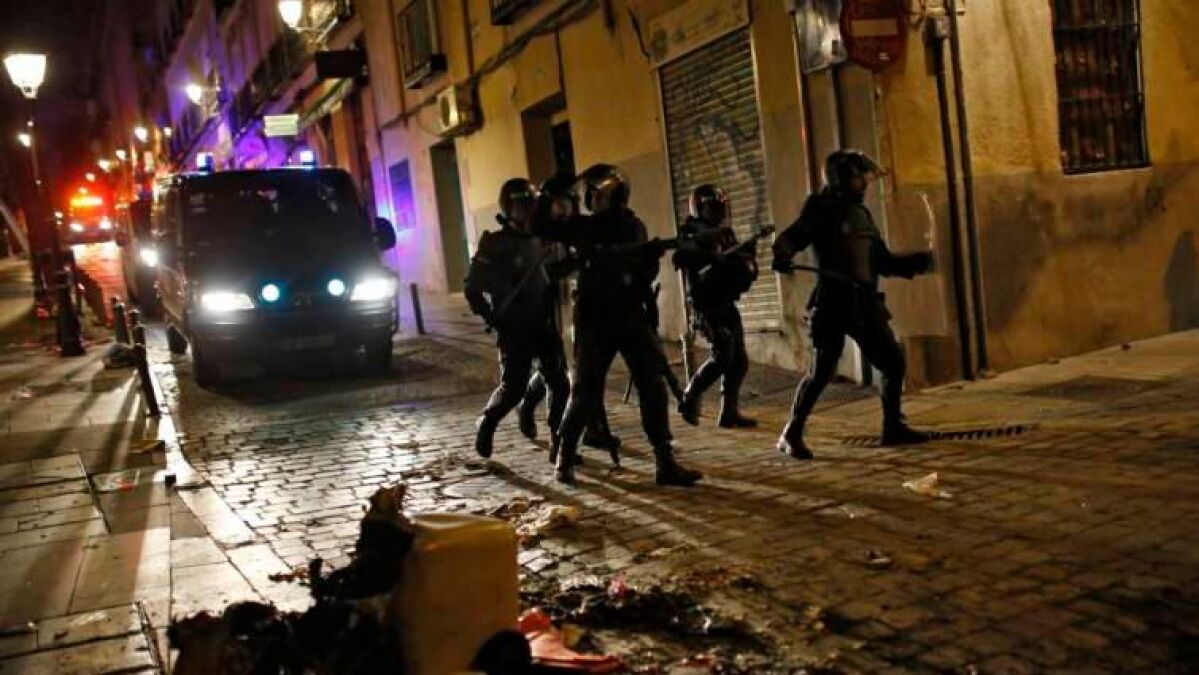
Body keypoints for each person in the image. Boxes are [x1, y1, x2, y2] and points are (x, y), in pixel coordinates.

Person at [533, 164, 702, 486]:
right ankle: (565, 457)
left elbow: (644, 273)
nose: (591, 200)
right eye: (590, 195)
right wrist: (549, 193)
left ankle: (664, 461)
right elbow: (542, 225)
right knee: (585, 391)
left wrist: (645, 261)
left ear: (614, 195)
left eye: (597, 195)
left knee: (652, 386)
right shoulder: (584, 227)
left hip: (629, 314)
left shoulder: (633, 227)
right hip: (596, 319)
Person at [771, 150, 933, 459]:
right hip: (832, 302)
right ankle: (791, 432)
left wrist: (917, 263)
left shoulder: (862, 214)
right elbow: (795, 235)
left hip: (864, 302)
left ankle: (893, 427)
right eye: (858, 178)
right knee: (822, 371)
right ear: (841, 178)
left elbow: (881, 261)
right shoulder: (820, 207)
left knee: (892, 362)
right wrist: (783, 252)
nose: (864, 184)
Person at [517, 172, 622, 461]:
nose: (564, 207)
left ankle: (592, 427)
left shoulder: (575, 227)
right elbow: (542, 272)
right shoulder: (538, 231)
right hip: (545, 307)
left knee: (581, 372)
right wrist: (574, 262)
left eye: (568, 201)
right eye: (558, 202)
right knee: (558, 372)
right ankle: (550, 429)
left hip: (571, 303)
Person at [464, 178, 570, 459]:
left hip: (543, 322)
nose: (527, 210)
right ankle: (488, 421)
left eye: (530, 204)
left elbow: (551, 273)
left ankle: (559, 441)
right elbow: (472, 286)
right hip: (513, 326)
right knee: (513, 388)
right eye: (521, 205)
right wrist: (489, 315)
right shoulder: (495, 243)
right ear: (508, 208)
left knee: (558, 381)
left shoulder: (543, 239)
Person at [673, 184, 757, 429]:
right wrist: (709, 255)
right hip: (707, 306)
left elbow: (739, 268)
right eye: (713, 208)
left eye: (721, 208)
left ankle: (729, 412)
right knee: (723, 356)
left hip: (726, 302)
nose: (718, 213)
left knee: (739, 361)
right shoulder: (691, 232)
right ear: (700, 209)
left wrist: (745, 258)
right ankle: (690, 395)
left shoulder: (725, 234)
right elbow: (681, 257)